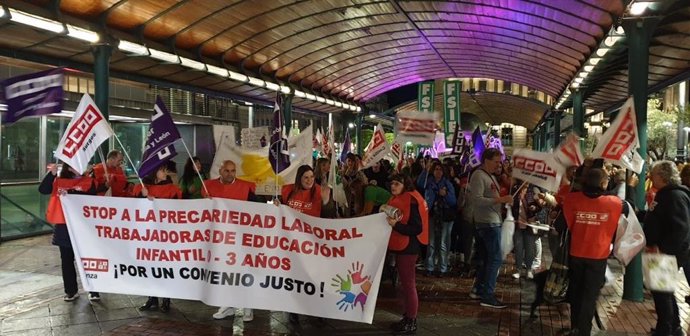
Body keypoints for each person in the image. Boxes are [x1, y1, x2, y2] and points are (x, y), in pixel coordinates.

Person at [562, 168, 626, 336]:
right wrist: (630, 186)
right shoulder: (614, 203)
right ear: (604, 183)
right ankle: (583, 331)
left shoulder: (571, 199)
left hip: (576, 253)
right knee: (589, 295)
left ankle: (576, 326)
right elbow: (630, 206)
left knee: (576, 292)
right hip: (598, 256)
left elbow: (561, 224)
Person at [204, 160, 257, 322]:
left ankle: (248, 307)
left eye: (233, 171)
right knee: (223, 273)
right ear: (220, 171)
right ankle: (227, 305)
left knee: (244, 271)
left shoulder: (248, 187)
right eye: (227, 171)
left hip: (241, 237)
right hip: (219, 239)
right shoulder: (207, 186)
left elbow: (259, 208)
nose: (230, 174)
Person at [39, 162, 99, 302]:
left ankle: (94, 289)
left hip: (84, 226)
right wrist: (51, 174)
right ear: (70, 167)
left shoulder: (89, 181)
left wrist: (72, 192)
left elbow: (91, 197)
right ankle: (71, 290)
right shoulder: (58, 181)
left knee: (88, 260)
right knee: (66, 259)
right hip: (64, 225)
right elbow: (43, 189)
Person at [644, 161, 690, 336]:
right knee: (665, 292)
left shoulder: (675, 196)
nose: (650, 177)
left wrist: (662, 248)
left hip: (665, 254)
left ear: (663, 176)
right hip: (662, 252)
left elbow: (681, 229)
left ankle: (665, 330)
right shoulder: (666, 195)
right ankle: (674, 327)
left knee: (662, 294)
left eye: (653, 174)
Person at [279, 164, 330, 324]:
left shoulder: (320, 191)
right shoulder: (287, 190)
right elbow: (282, 210)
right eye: (305, 177)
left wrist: (327, 200)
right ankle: (294, 310)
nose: (309, 180)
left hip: (312, 243)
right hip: (292, 243)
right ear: (299, 178)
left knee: (314, 278)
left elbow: (329, 215)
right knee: (295, 278)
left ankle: (318, 310)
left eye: (311, 177)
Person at [134, 163, 182, 313]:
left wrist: (156, 201)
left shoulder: (172, 188)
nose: (165, 173)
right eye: (162, 170)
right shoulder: (143, 187)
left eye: (165, 170)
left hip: (165, 233)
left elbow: (177, 207)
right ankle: (152, 299)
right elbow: (131, 206)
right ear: (155, 171)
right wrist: (141, 196)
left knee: (164, 267)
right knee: (149, 266)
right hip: (148, 233)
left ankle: (166, 299)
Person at [468, 148, 513, 308]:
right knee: (495, 258)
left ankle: (479, 289)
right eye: (496, 161)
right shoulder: (479, 176)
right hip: (487, 223)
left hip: (491, 221)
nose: (498, 165)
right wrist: (499, 200)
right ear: (486, 160)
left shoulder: (490, 176)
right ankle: (487, 294)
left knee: (486, 258)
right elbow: (477, 200)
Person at [386, 173, 428, 334]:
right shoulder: (405, 198)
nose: (393, 186)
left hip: (408, 248)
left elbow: (416, 228)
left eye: (397, 184)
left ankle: (411, 320)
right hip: (402, 246)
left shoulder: (410, 201)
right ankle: (408, 316)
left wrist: (396, 226)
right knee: (405, 284)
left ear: (405, 185)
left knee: (408, 284)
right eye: (392, 183)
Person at [418, 162, 456, 277]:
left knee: (443, 243)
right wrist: (425, 170)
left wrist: (445, 194)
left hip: (445, 216)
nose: (438, 171)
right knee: (431, 242)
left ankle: (442, 268)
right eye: (436, 169)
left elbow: (453, 201)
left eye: (440, 169)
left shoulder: (447, 184)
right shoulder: (428, 182)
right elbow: (420, 183)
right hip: (432, 215)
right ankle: (429, 266)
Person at [511, 182, 539, 280]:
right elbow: (511, 206)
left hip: (529, 225)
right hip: (517, 224)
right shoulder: (515, 189)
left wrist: (534, 207)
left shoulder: (532, 191)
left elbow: (538, 207)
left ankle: (529, 270)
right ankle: (518, 269)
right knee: (518, 248)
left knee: (529, 249)